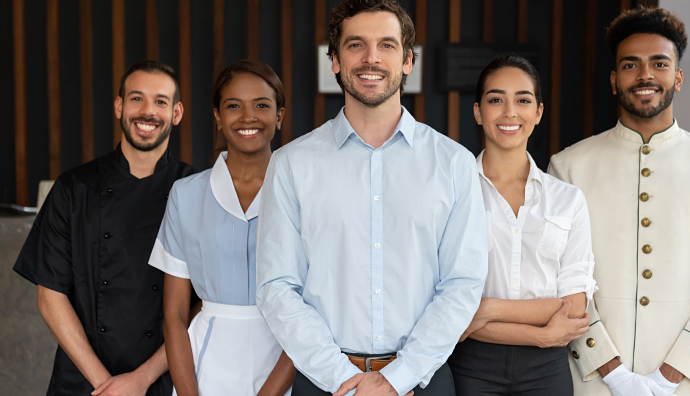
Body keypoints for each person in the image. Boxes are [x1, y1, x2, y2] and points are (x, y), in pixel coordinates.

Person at [254, 0, 488, 395]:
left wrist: (397, 378)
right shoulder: (291, 164)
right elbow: (276, 286)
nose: (371, 58)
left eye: (387, 45)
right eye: (355, 45)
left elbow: (462, 284)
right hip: (324, 382)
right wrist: (343, 379)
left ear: (408, 61)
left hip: (421, 383)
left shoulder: (454, 164)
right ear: (335, 61)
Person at [548, 7, 690, 396]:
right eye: (630, 65)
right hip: (593, 382)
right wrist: (610, 370)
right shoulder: (568, 167)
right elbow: (560, 279)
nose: (645, 75)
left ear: (677, 77)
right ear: (613, 80)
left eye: (659, 63)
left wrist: (669, 376)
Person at [13, 60, 196, 396]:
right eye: (137, 98)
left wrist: (140, 380)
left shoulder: (197, 190)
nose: (147, 112)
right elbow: (49, 296)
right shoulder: (74, 188)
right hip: (84, 382)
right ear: (119, 106)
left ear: (177, 113)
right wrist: (105, 385)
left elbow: (203, 304)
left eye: (160, 101)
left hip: (165, 380)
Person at [448, 54, 597, 396]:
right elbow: (450, 313)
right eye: (496, 99)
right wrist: (541, 334)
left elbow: (572, 309)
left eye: (523, 100)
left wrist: (485, 308)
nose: (510, 112)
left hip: (546, 371)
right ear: (478, 111)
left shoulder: (567, 200)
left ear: (538, 112)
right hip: (469, 365)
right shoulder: (453, 195)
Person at [150, 60, 293, 396]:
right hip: (204, 368)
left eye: (261, 105)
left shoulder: (303, 194)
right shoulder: (186, 195)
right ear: (217, 116)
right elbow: (174, 315)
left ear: (280, 116)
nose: (248, 117)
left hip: (287, 364)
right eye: (233, 106)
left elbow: (317, 311)